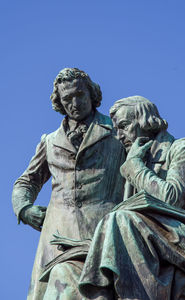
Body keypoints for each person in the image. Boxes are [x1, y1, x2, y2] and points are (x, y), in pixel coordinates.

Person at [12, 68, 125, 300]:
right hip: (58, 234)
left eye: (79, 95)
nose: (75, 103)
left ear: (91, 94)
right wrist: (24, 209)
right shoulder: (50, 141)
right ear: (60, 103)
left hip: (103, 227)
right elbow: (27, 181)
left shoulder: (117, 131)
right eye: (67, 99)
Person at [79, 96, 185, 300]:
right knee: (71, 261)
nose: (119, 135)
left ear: (146, 121)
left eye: (124, 126)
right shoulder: (135, 162)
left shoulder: (184, 148)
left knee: (120, 218)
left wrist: (135, 167)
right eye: (116, 129)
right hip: (149, 238)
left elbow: (171, 198)